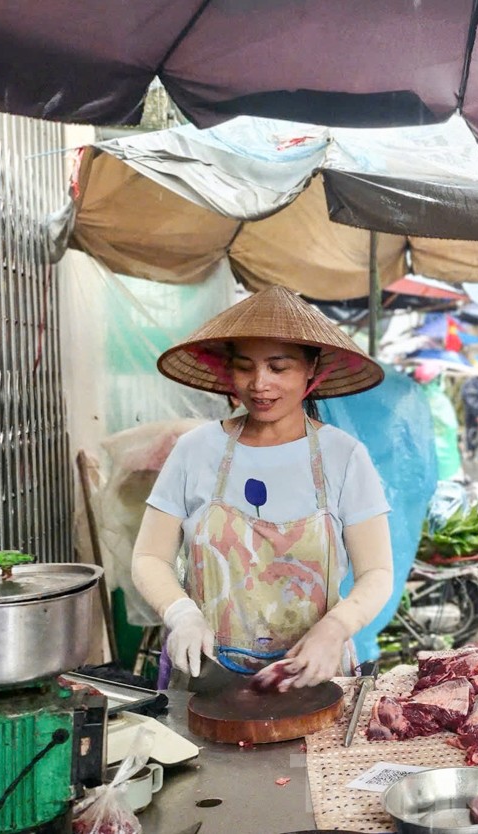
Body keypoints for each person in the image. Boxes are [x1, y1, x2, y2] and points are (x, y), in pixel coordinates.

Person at [132, 286, 394, 688]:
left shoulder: (343, 456)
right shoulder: (195, 450)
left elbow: (376, 571)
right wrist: (181, 613)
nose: (259, 383)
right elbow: (150, 556)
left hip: (311, 678)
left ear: (311, 368)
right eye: (244, 367)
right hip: (208, 678)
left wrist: (337, 627)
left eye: (279, 367)